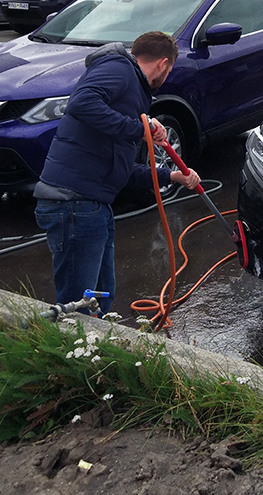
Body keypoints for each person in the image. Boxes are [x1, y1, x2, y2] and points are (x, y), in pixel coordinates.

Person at [34, 31, 201, 315]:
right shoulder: (120, 69)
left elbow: (119, 170)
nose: (166, 77)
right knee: (79, 306)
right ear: (162, 64)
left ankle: (99, 353)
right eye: (169, 70)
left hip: (93, 207)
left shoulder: (132, 91)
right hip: (74, 204)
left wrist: (170, 176)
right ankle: (74, 356)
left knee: (101, 298)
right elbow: (81, 103)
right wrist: (140, 130)